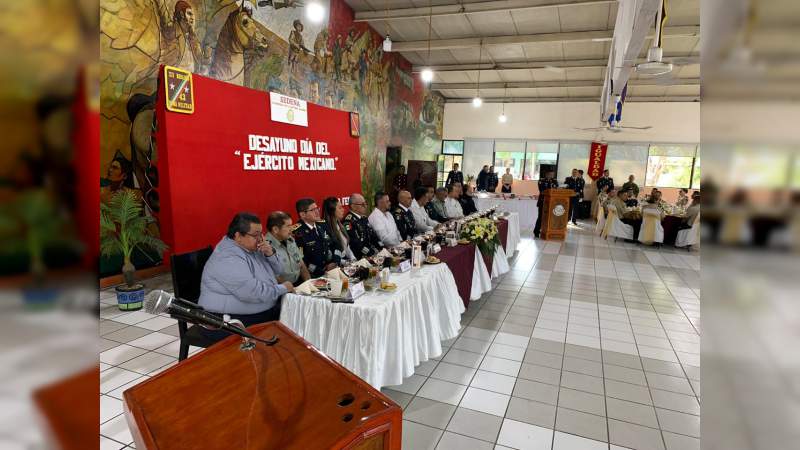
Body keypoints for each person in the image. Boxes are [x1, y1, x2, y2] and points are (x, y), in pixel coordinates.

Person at [198, 213, 294, 343]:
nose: (261, 239)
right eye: (255, 235)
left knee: (297, 311)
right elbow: (252, 293)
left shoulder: (252, 248)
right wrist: (283, 288)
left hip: (257, 311)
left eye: (261, 233)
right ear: (238, 236)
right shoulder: (227, 257)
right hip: (225, 321)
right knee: (293, 318)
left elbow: (279, 271)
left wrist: (270, 254)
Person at [293, 198, 340, 278]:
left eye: (317, 208)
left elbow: (336, 244)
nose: (317, 212)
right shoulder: (297, 232)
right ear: (302, 214)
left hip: (333, 268)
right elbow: (302, 260)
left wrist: (335, 261)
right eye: (312, 210)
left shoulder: (322, 224)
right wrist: (321, 271)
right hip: (315, 275)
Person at [265, 211, 310, 286]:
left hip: (299, 284)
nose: (291, 229)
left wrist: (309, 284)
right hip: (282, 289)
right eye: (288, 226)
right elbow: (275, 276)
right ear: (275, 229)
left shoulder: (290, 239)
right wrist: (292, 291)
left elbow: (301, 264)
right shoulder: (266, 247)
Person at [343, 193, 382, 257]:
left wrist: (381, 247)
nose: (365, 206)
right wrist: (371, 253)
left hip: (370, 254)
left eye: (365, 203)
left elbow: (373, 235)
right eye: (362, 204)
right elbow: (355, 244)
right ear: (353, 206)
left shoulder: (364, 218)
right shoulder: (348, 221)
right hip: (359, 257)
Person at [322, 196, 356, 261]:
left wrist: (353, 258)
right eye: (340, 208)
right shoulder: (325, 229)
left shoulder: (340, 225)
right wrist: (345, 262)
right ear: (332, 211)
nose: (343, 209)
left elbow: (347, 247)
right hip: (337, 264)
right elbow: (331, 255)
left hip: (347, 262)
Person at [533, 169, 559, 238]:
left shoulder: (555, 181)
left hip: (552, 203)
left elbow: (556, 189)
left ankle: (548, 231)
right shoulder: (541, 180)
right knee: (541, 217)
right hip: (543, 202)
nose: (551, 176)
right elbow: (542, 190)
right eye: (550, 174)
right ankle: (536, 231)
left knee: (550, 218)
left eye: (552, 174)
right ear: (547, 174)